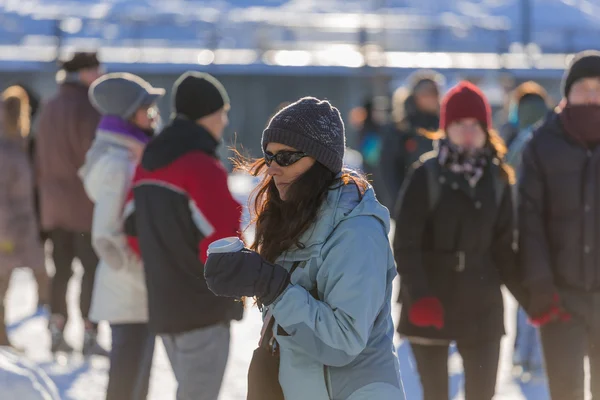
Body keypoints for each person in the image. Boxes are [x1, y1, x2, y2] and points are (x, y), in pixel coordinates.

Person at [204, 97, 405, 400]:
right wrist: (247, 274)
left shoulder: (356, 231)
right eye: (269, 157)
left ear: (320, 160)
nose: (272, 169)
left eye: (286, 157)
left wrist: (273, 286)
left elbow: (343, 341)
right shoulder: (293, 217)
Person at [394, 82, 520, 400]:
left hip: (483, 305)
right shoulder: (426, 175)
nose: (467, 131)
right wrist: (419, 295)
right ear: (445, 128)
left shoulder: (498, 178)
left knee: (482, 393)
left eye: (474, 124)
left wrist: (534, 298)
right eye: (458, 124)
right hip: (430, 301)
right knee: (435, 395)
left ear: (485, 128)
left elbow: (506, 249)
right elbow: (406, 243)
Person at [129, 71, 243, 400]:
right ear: (206, 114)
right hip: (201, 308)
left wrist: (163, 264)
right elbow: (224, 240)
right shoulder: (201, 166)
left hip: (165, 303)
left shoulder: (147, 161)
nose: (224, 121)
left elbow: (131, 228)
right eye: (222, 112)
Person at [519, 50, 600, 400]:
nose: (592, 96)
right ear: (568, 92)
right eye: (584, 87)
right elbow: (528, 220)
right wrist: (541, 288)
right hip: (560, 297)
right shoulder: (541, 143)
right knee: (565, 392)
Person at [80, 73, 165, 400]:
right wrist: (139, 268)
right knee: (125, 384)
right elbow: (105, 235)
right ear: (129, 114)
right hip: (128, 291)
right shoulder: (119, 162)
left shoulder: (132, 153)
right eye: (148, 108)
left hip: (136, 291)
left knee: (136, 383)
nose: (154, 115)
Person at [34, 52, 106, 355]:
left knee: (60, 270)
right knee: (91, 270)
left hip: (53, 206)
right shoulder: (89, 108)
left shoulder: (49, 106)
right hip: (84, 207)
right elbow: (94, 158)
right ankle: (90, 333)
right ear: (86, 73)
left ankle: (56, 329)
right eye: (98, 69)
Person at [501, 81, 552, 380]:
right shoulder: (552, 136)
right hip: (548, 225)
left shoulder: (512, 136)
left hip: (518, 223)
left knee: (525, 290)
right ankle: (534, 354)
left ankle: (522, 353)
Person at [0, 86, 47, 350]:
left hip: (20, 226)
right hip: (8, 229)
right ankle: (2, 340)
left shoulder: (16, 143)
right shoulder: (7, 148)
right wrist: (5, 235)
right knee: (1, 286)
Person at [381, 70, 443, 210]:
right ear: (414, 95)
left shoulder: (443, 127)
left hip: (439, 204)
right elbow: (388, 169)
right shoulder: (400, 129)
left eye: (435, 93)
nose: (431, 98)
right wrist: (399, 202)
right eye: (426, 93)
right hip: (408, 202)